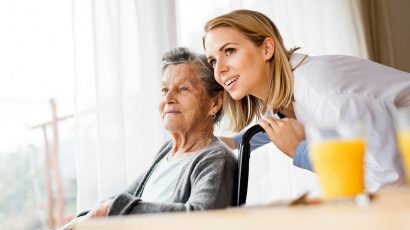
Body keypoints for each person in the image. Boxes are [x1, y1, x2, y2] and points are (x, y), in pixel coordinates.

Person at [202, 9, 410, 192]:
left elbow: (391, 182)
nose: (219, 69)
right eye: (212, 60)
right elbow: (280, 126)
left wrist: (301, 151)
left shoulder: (322, 92)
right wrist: (233, 142)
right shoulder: (285, 96)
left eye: (229, 51)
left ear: (266, 49)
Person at [60, 47, 237, 229]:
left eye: (183, 88)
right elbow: (122, 199)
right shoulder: (168, 151)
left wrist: (110, 210)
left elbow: (203, 219)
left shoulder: (215, 159)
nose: (168, 97)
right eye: (164, 89)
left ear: (214, 103)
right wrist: (81, 219)